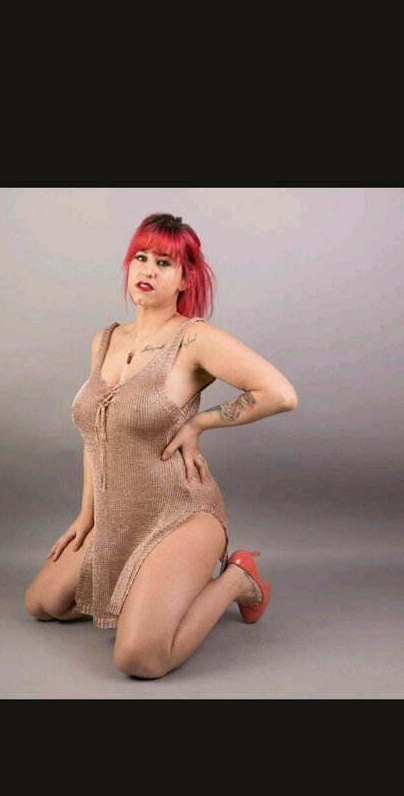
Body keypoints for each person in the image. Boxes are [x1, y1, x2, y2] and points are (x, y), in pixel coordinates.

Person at [24, 213, 298, 679]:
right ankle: (146, 588)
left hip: (179, 515)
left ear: (185, 278)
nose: (147, 270)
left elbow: (281, 394)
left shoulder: (194, 339)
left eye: (164, 262)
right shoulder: (105, 340)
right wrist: (88, 514)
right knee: (42, 603)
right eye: (140, 257)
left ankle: (238, 579)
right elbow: (96, 434)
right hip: (117, 517)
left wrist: (200, 423)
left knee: (139, 659)